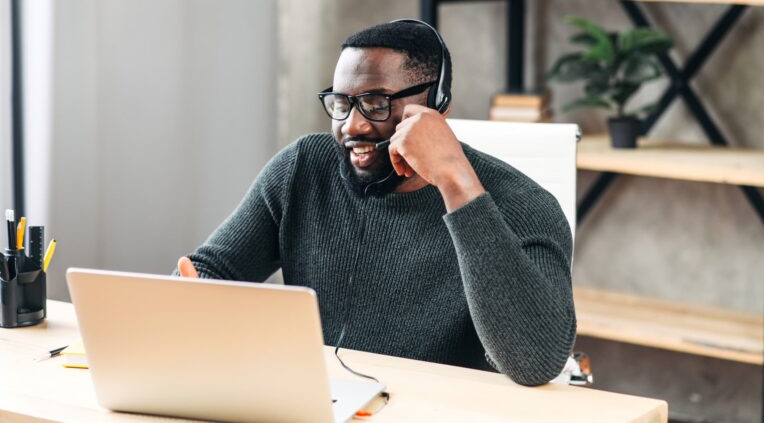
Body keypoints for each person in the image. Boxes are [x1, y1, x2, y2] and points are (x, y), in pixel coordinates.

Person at [176, 20, 576, 386]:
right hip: (325, 403)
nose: (353, 125)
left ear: (436, 106)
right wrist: (192, 302)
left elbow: (536, 363)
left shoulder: (524, 205)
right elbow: (210, 269)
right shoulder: (304, 169)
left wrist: (456, 183)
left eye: (377, 103)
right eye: (341, 103)